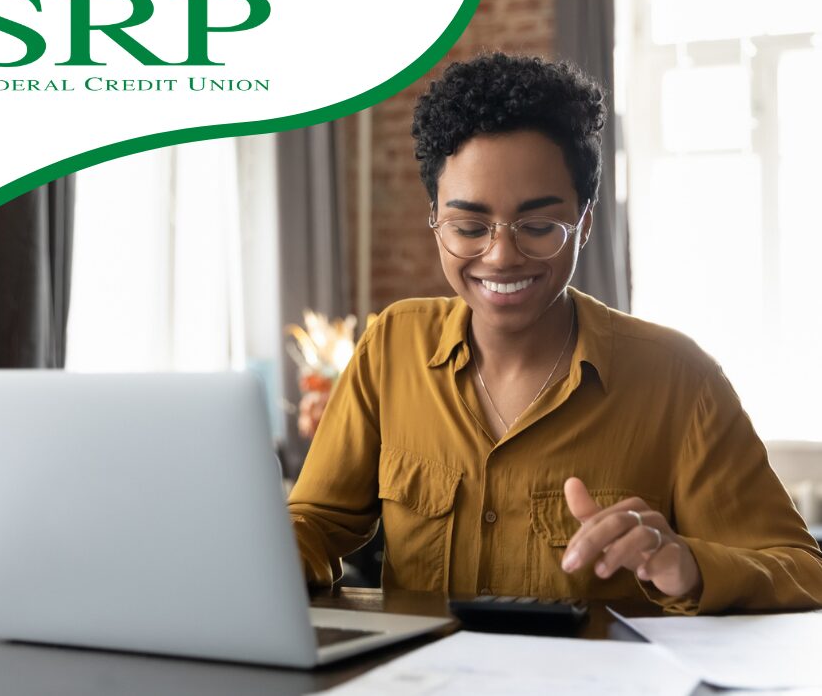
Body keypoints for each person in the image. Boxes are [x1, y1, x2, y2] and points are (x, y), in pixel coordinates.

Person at [287, 53, 822, 614]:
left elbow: (803, 571)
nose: (501, 256)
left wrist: (686, 564)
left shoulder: (679, 380)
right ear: (435, 218)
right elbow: (317, 523)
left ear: (585, 221)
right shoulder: (393, 346)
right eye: (469, 227)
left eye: (539, 227)